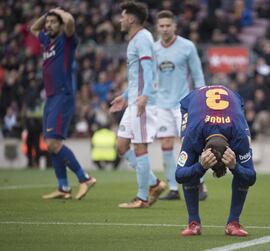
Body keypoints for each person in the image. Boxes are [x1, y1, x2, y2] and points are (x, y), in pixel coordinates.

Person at [30, 8, 96, 200]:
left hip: (62, 95)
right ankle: (63, 187)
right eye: (47, 22)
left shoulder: (66, 42)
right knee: (50, 143)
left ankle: (85, 178)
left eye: (53, 22)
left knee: (53, 142)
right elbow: (33, 28)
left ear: (60, 26)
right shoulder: (46, 42)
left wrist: (57, 11)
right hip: (50, 98)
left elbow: (70, 22)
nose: (48, 25)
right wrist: (47, 15)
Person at [175, 85, 256, 236]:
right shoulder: (193, 135)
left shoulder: (240, 136)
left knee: (242, 174)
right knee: (190, 164)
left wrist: (235, 166)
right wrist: (199, 167)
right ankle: (193, 222)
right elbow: (179, 175)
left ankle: (233, 222)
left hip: (233, 103)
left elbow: (251, 177)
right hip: (191, 103)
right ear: (203, 149)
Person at [109, 1, 165, 208]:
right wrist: (124, 96)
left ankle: (142, 198)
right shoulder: (135, 39)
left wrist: (145, 96)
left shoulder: (142, 38)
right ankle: (154, 183)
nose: (121, 19)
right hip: (133, 100)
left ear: (131, 18)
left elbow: (149, 70)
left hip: (143, 102)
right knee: (122, 146)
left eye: (123, 16)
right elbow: (138, 76)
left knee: (140, 146)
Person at [154, 10, 207, 201]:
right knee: (166, 145)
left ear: (174, 26)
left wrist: (202, 100)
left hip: (183, 104)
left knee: (189, 145)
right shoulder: (153, 49)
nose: (165, 28)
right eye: (162, 26)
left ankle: (199, 181)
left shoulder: (187, 46)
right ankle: (174, 188)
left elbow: (198, 74)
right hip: (161, 105)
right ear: (157, 28)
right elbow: (150, 77)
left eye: (168, 25)